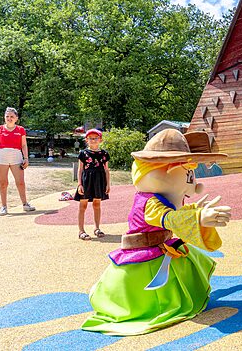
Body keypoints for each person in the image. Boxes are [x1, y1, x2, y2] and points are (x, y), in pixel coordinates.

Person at [82, 129, 231, 336]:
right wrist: (198, 218)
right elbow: (168, 218)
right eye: (188, 176)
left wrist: (195, 211)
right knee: (151, 296)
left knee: (186, 263)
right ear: (165, 171)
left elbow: (174, 214)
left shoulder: (160, 198)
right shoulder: (150, 202)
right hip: (144, 256)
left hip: (161, 248)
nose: (195, 187)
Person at [0, 107, 35, 216]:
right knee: (3, 182)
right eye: (7, 116)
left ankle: (25, 204)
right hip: (1, 156)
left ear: (16, 118)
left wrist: (26, 158)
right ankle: (4, 206)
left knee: (20, 182)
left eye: (12, 117)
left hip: (16, 156)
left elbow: (24, 145)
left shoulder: (20, 130)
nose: (9, 118)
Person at [75, 129, 111, 241]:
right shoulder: (83, 153)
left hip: (99, 181)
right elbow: (80, 170)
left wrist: (108, 184)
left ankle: (97, 228)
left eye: (96, 138)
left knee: (97, 204)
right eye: (90, 138)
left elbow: (106, 170)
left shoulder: (104, 154)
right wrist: (80, 184)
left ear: (100, 140)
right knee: (83, 205)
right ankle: (81, 230)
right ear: (86, 140)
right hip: (87, 181)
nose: (93, 140)